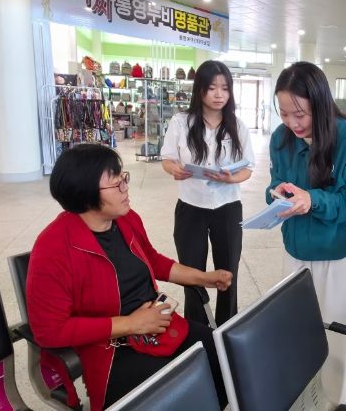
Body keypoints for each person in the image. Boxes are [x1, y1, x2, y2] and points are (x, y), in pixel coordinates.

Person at [26, 144, 231, 410]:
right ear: (85, 194)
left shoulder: (126, 219)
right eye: (116, 184)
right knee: (180, 389)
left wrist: (204, 278)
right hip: (110, 348)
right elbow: (49, 332)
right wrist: (131, 324)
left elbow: (153, 261)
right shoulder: (53, 248)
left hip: (155, 327)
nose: (126, 188)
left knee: (224, 355)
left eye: (124, 178)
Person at [267, 61, 346, 403]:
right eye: (285, 113)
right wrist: (276, 193)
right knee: (294, 333)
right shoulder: (281, 139)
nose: (292, 123)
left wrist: (312, 200)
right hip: (296, 251)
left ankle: (330, 403)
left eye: (300, 114)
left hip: (337, 253)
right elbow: (274, 182)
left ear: (321, 103)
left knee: (333, 335)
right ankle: (299, 401)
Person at [161, 60, 255, 326]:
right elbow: (167, 159)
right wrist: (174, 169)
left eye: (225, 88)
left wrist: (231, 178)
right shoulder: (181, 122)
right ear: (200, 89)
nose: (219, 94)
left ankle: (227, 328)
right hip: (191, 207)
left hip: (228, 207)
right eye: (212, 88)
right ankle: (197, 330)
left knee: (228, 272)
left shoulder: (237, 126)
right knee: (192, 274)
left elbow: (248, 169)